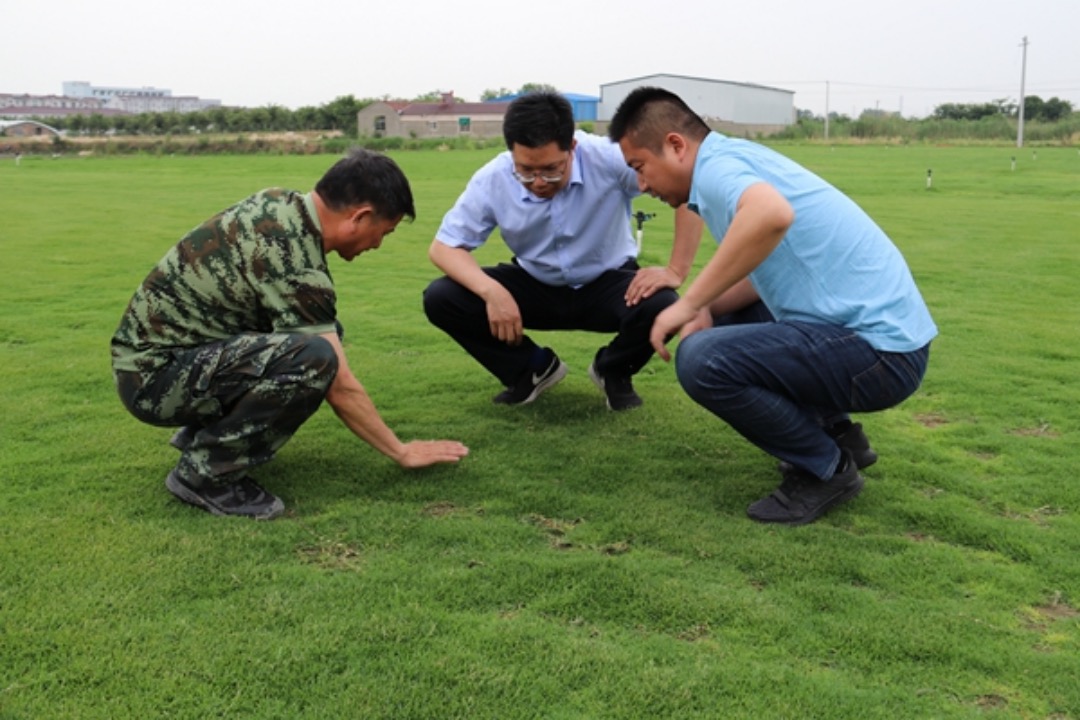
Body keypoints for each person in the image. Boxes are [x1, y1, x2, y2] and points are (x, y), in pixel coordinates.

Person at [608, 87, 937, 525]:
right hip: (884, 345)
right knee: (722, 318)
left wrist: (688, 303)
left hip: (882, 355)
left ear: (675, 145)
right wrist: (706, 307)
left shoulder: (717, 170)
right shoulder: (733, 159)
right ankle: (841, 436)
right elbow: (766, 270)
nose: (642, 185)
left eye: (640, 167)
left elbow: (769, 214)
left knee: (702, 359)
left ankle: (827, 469)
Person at [111, 149, 469, 520]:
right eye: (384, 232)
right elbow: (341, 386)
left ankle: (206, 433)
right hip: (154, 383)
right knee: (315, 357)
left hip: (153, 363)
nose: (377, 244)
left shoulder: (279, 205)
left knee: (318, 335)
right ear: (360, 217)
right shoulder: (296, 264)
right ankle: (206, 475)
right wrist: (401, 451)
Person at [422, 92, 702, 411]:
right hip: (535, 284)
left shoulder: (609, 157)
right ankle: (530, 369)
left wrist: (675, 270)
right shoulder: (492, 179)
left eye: (551, 169)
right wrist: (492, 292)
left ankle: (613, 370)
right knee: (442, 297)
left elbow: (688, 187)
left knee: (663, 304)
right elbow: (444, 247)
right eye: (526, 170)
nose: (539, 182)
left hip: (609, 283)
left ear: (572, 147)